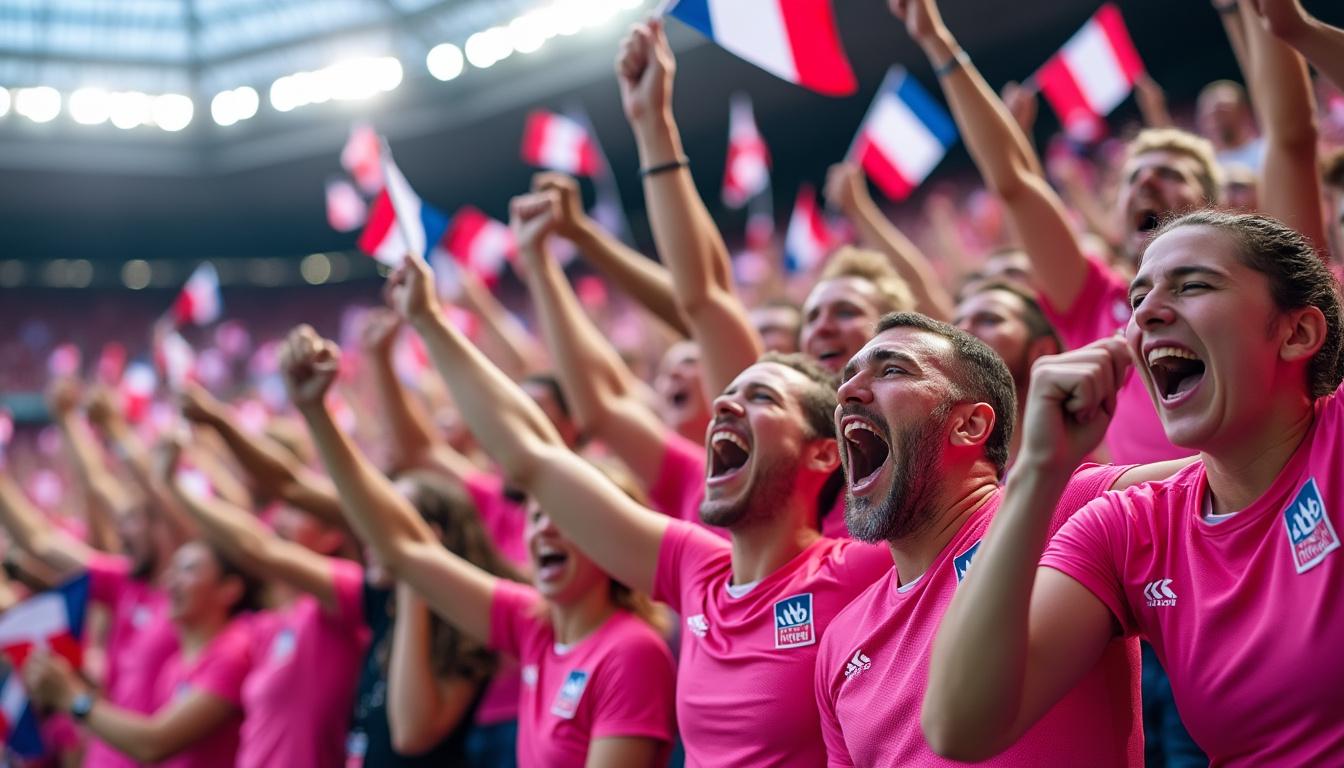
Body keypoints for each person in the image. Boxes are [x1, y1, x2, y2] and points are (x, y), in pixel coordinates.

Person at [386, 222, 892, 767]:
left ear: (821, 453)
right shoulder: (695, 568)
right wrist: (429, 323)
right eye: (725, 397)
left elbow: (704, 300)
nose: (722, 406)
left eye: (762, 396)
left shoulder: (865, 571)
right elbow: (531, 455)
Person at [923, 211, 1344, 764]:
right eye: (1138, 296)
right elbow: (961, 724)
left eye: (1193, 285)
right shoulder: (1129, 526)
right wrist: (1037, 472)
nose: (1145, 312)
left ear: (1297, 333)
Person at [892, 0, 1326, 466]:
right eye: (1133, 176)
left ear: (1216, 204)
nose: (1145, 181)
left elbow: (1291, 136)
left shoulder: (1264, 279)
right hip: (1156, 535)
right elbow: (1014, 182)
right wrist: (939, 43)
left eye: (1170, 173)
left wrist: (1274, 19)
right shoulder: (1095, 301)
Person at [278, 324, 677, 768]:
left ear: (612, 539)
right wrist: (316, 413)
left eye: (563, 518)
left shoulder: (631, 651)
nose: (545, 529)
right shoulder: (534, 625)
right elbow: (403, 546)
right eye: (537, 516)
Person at [814, 312, 1159, 766]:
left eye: (892, 369)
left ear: (971, 425)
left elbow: (1231, 479)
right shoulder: (840, 640)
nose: (846, 392)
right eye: (848, 377)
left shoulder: (1060, 505)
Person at [0, 428, 180, 768]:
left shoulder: (187, 600)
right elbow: (40, 541)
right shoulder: (123, 581)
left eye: (133, 521)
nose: (121, 533)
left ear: (162, 525)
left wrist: (118, 432)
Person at [25, 539, 262, 768]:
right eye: (172, 569)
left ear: (230, 589)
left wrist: (71, 697)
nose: (170, 581)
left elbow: (154, 744)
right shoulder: (175, 664)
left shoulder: (232, 653)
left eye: (188, 570)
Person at [952, 282, 1062, 462]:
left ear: (1042, 351)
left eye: (989, 319)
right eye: (954, 323)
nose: (961, 331)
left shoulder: (1082, 472)